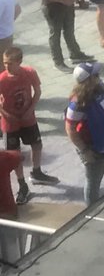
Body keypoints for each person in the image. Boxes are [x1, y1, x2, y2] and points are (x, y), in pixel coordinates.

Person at [65, 62, 104, 206]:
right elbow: (70, 129)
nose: (99, 77)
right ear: (87, 81)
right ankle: (91, 211)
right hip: (93, 147)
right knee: (93, 183)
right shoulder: (77, 103)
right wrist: (84, 151)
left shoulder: (100, 87)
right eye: (96, 75)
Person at [0, 48, 56, 204]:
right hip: (10, 122)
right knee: (14, 154)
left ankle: (37, 172)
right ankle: (22, 185)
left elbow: (37, 92)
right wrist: (6, 114)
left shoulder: (29, 72)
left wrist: (30, 110)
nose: (6, 67)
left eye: (10, 63)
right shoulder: (2, 79)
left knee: (36, 144)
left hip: (27, 117)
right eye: (4, 63)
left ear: (19, 62)